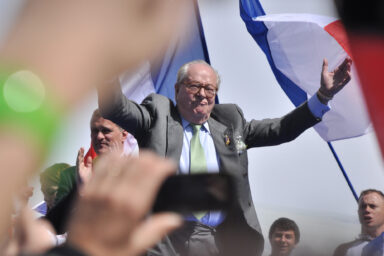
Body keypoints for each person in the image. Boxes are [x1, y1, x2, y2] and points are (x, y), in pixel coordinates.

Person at [98, 58, 352, 256]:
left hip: (218, 242)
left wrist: (323, 97)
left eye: (210, 88)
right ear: (177, 90)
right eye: (194, 86)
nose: (202, 94)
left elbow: (281, 129)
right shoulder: (158, 116)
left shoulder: (231, 124)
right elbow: (116, 108)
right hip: (165, 241)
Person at [45, 109, 128, 234]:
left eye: (106, 130)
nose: (99, 136)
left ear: (124, 135)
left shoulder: (140, 171)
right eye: (95, 131)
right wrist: (81, 191)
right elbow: (54, 227)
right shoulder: (75, 175)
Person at [333, 189, 384, 256]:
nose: (367, 210)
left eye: (372, 206)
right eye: (363, 206)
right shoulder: (344, 250)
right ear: (358, 212)